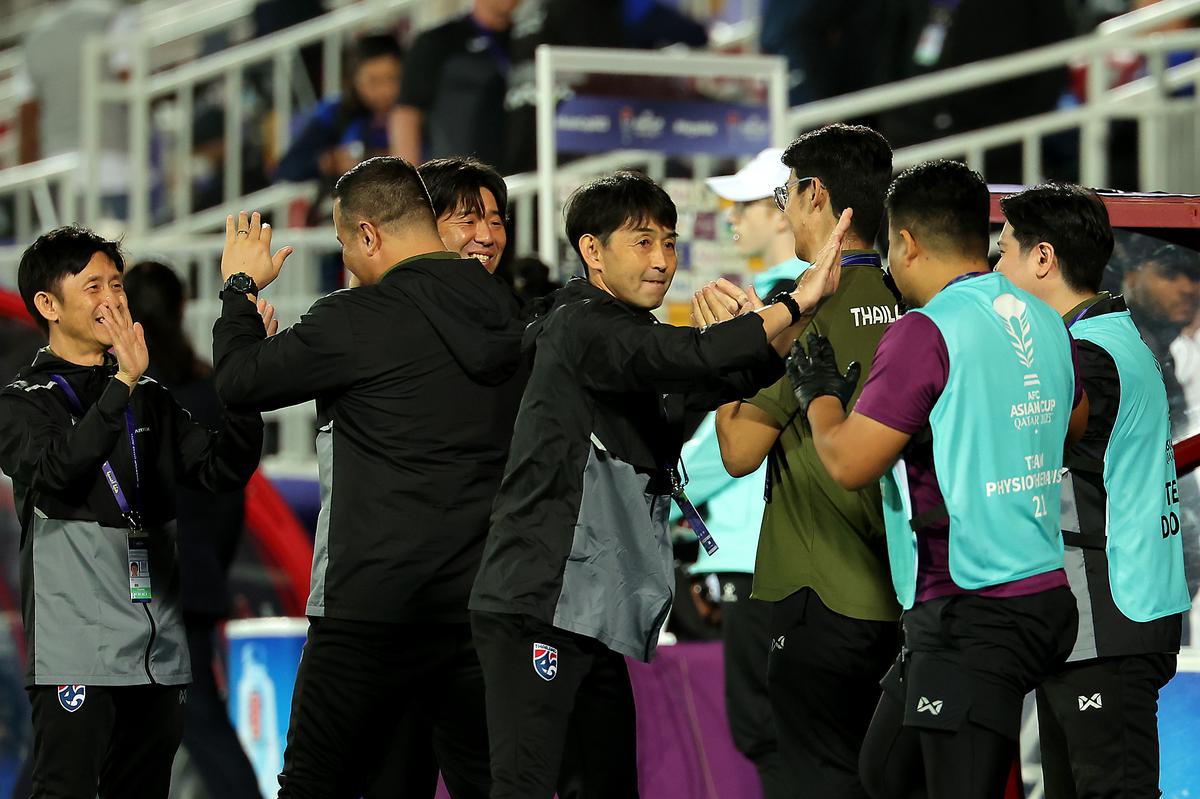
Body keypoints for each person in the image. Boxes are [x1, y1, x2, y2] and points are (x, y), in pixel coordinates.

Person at [468, 169, 853, 798]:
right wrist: (794, 304)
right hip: (539, 605)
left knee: (610, 784)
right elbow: (685, 358)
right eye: (642, 242)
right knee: (527, 788)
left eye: (669, 243)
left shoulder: (627, 333)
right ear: (592, 251)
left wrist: (765, 331)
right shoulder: (579, 324)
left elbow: (712, 374)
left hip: (587, 610)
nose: (662, 261)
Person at [212, 156, 528, 799]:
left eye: (342, 242)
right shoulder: (512, 314)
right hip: (480, 604)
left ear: (368, 236)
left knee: (315, 784)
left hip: (372, 606)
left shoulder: (357, 317)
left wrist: (241, 290)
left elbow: (240, 382)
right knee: (482, 784)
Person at [789, 159, 1084, 799]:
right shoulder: (1044, 319)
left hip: (976, 604)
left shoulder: (924, 330)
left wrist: (818, 396)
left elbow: (847, 464)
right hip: (1040, 592)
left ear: (908, 242)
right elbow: (1076, 421)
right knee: (887, 772)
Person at [0, 226, 265, 799]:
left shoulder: (151, 399)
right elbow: (57, 474)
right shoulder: (24, 399)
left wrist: (246, 386)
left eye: (116, 284)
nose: (112, 299)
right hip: (77, 647)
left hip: (156, 650)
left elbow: (223, 470)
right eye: (92, 285)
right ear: (48, 304)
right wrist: (121, 380)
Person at [713, 124, 901, 799]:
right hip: (904, 598)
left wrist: (731, 349)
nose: (785, 208)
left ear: (817, 195)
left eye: (785, 193)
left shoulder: (803, 308)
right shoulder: (911, 303)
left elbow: (737, 451)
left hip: (817, 596)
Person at [994, 183, 1190, 799]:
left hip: (1107, 618)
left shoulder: (1091, 356)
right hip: (1092, 617)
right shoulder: (1105, 339)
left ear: (1042, 259)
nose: (995, 272)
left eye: (1003, 254)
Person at [668, 147, 807, 799]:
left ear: (784, 212)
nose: (729, 220)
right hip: (808, 552)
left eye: (744, 206)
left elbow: (728, 440)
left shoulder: (775, 305)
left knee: (768, 729)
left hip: (755, 554)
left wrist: (664, 491)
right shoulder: (846, 295)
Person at [124, 260, 262, 799]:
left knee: (81, 719)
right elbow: (230, 501)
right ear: (182, 309)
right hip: (195, 580)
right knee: (197, 718)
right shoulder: (210, 393)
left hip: (131, 584)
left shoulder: (125, 395)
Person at [392, 0, 519, 166]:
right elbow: (407, 114)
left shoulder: (532, 39)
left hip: (527, 178)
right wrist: (408, 184)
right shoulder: (437, 41)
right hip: (459, 182)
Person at [274, 35, 404, 183]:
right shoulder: (337, 113)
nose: (385, 91)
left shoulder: (419, 111)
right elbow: (288, 167)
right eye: (373, 82)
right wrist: (330, 161)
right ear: (355, 80)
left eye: (392, 78)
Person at [1121, 243, 1200, 431]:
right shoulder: (1122, 350)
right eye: (1169, 275)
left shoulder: (1164, 346)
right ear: (1132, 279)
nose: (1187, 288)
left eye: (1195, 276)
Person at [417, 157, 510, 274]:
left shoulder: (505, 291)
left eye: (495, 223)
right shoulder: (397, 291)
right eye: (468, 222)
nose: (487, 238)